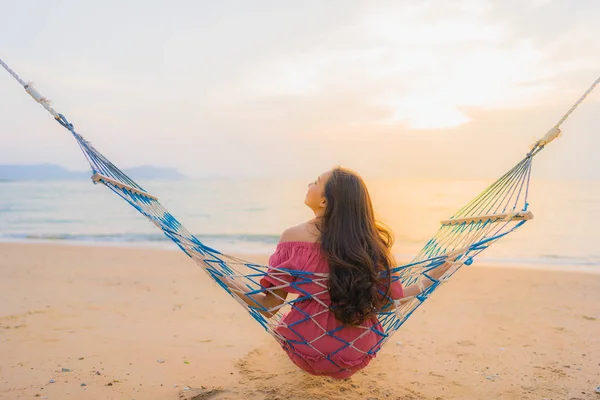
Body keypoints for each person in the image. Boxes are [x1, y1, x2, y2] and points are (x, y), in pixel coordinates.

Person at [227, 167, 451, 379]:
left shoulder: (293, 238)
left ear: (325, 201)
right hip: (356, 353)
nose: (309, 184)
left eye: (315, 182)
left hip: (303, 348)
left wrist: (227, 280)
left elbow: (268, 306)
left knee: (295, 326)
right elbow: (388, 304)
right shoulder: (371, 245)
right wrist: (429, 279)